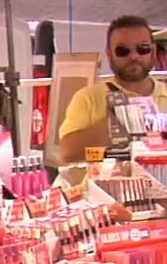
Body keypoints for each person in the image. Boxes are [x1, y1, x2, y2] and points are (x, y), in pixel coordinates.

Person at [59, 15, 167, 164]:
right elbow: (67, 154)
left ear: (153, 52)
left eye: (143, 48)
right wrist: (115, 124)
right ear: (109, 55)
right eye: (123, 50)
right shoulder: (88, 98)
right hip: (104, 184)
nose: (134, 56)